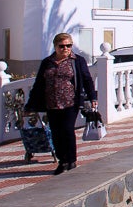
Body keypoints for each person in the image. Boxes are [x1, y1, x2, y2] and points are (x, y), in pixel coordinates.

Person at [26, 33, 96, 175]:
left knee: (67, 130)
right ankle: (62, 161)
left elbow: (87, 79)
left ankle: (71, 160)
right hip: (52, 104)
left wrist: (92, 97)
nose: (65, 49)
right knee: (56, 133)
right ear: (55, 46)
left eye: (68, 46)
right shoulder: (47, 62)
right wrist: (30, 105)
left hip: (71, 103)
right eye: (62, 46)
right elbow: (39, 83)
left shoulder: (77, 61)